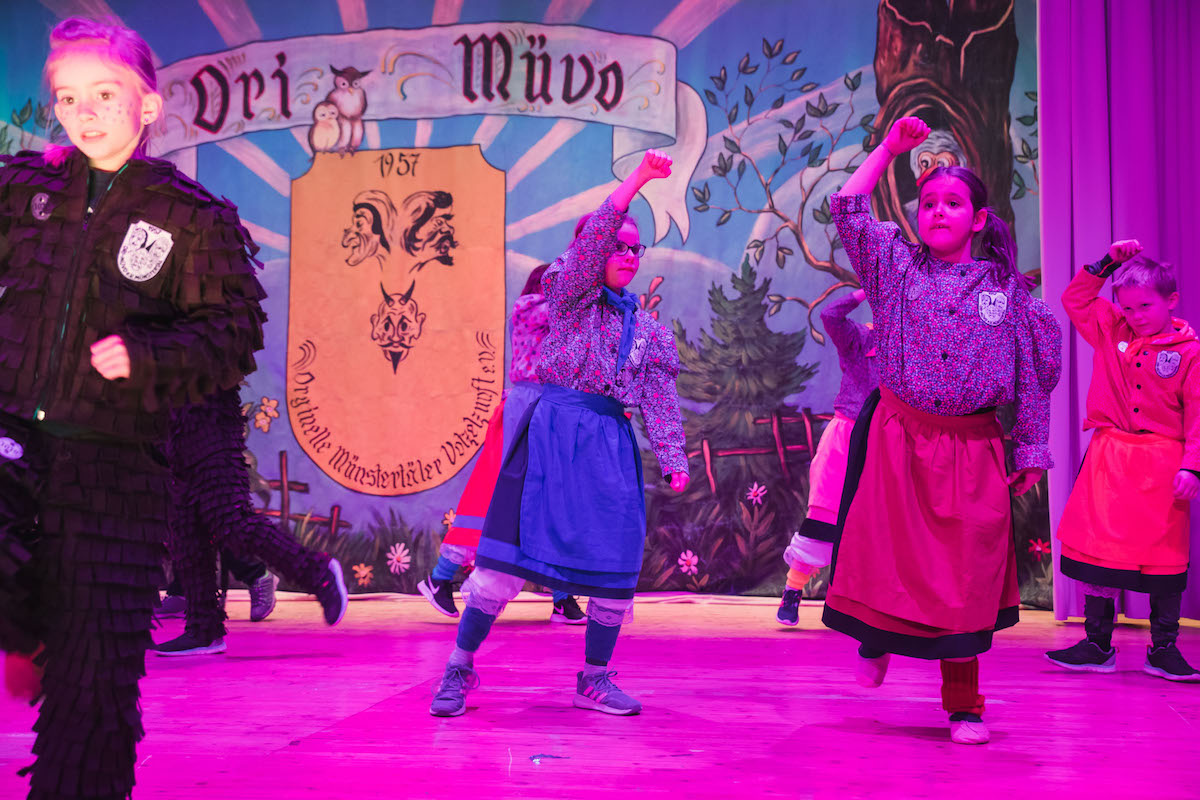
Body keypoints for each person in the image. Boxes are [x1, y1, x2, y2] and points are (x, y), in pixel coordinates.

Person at [0, 17, 283, 797]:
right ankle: (27, 636)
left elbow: (231, 331)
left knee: (93, 691)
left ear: (149, 105)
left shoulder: (192, 216)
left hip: (114, 476)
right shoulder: (19, 192)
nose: (83, 112)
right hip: (12, 446)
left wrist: (149, 355)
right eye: (67, 97)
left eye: (104, 93)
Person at [813, 116, 1061, 744]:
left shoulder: (1008, 293)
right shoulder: (894, 268)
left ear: (979, 219)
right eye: (928, 204)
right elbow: (846, 206)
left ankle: (964, 704)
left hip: (972, 449)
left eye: (952, 203)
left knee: (964, 573)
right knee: (884, 549)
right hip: (898, 435)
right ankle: (875, 639)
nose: (938, 212)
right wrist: (889, 148)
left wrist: (1032, 448)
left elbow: (1032, 377)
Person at [427, 149, 688, 718]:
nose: (627, 255)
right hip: (549, 440)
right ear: (593, 251)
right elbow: (590, 244)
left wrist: (673, 457)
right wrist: (638, 181)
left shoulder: (648, 331)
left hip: (609, 451)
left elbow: (660, 399)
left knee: (615, 567)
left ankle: (594, 679)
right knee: (501, 566)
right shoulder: (567, 299)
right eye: (616, 245)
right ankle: (458, 668)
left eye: (635, 248)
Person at [1046, 242, 1200, 681]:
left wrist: (1192, 466)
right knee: (1099, 551)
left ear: (1171, 300)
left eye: (1145, 306)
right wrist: (1107, 263)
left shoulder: (1190, 353)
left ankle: (1164, 649)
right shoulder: (1111, 328)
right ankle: (1097, 645)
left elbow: (1198, 412)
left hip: (1162, 466)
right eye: (1128, 307)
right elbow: (1075, 298)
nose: (1135, 315)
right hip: (1110, 461)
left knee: (1164, 557)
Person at [417, 264, 586, 624]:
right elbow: (562, 312)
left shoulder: (561, 318)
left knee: (552, 499)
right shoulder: (530, 308)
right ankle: (441, 576)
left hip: (551, 407)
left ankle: (562, 598)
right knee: (500, 497)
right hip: (527, 407)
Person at [154, 388, 348, 656]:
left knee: (231, 520)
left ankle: (318, 573)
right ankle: (203, 629)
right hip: (174, 427)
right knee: (187, 531)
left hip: (207, 421)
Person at [777, 288, 878, 625]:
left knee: (874, 525)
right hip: (846, 435)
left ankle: (855, 605)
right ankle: (793, 590)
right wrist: (864, 291)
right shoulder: (859, 338)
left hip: (885, 440)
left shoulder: (911, 346)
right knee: (823, 514)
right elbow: (830, 315)